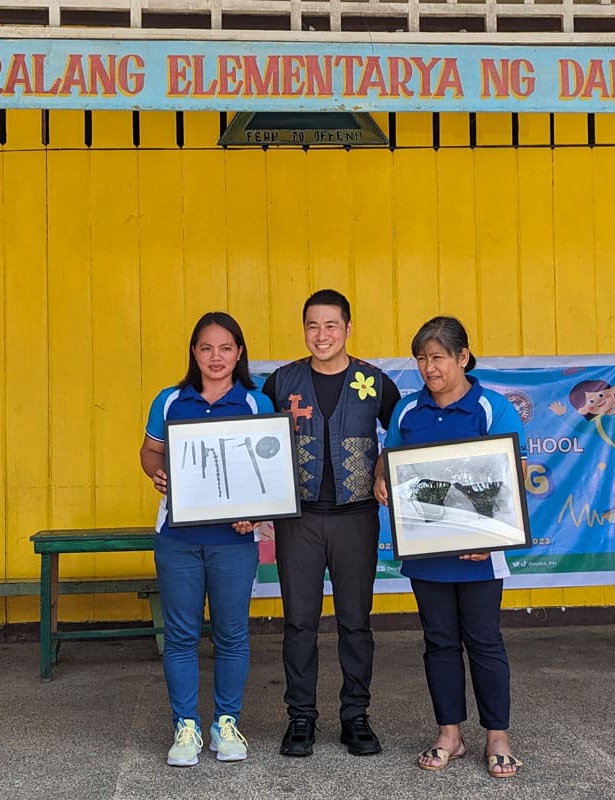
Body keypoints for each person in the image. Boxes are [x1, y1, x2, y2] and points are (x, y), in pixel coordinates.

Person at [374, 315, 526, 779]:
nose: (429, 367)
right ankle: (450, 735)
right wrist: (383, 476)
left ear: (462, 357)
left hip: (480, 554)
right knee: (439, 642)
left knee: (484, 642)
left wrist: (490, 537)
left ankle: (497, 738)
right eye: (421, 358)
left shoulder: (492, 408)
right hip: (427, 550)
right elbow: (392, 456)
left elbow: (512, 475)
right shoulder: (405, 411)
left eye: (438, 357)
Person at [261, 289, 401, 757]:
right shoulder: (281, 383)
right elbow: (255, 443)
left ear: (348, 328)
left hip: (357, 519)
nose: (321, 335)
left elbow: (402, 439)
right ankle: (300, 718)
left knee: (355, 623)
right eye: (312, 326)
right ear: (304, 330)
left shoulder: (375, 382)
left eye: (331, 326)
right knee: (299, 622)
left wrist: (382, 472)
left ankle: (355, 717)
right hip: (298, 520)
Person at [139, 311, 274, 767]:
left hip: (234, 540)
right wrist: (157, 473)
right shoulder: (170, 399)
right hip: (178, 536)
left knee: (232, 633)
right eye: (206, 348)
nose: (215, 357)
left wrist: (254, 512)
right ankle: (186, 726)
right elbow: (150, 451)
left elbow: (270, 474)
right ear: (194, 353)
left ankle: (226, 723)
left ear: (239, 353)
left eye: (225, 348)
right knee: (180, 634)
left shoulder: (256, 403)